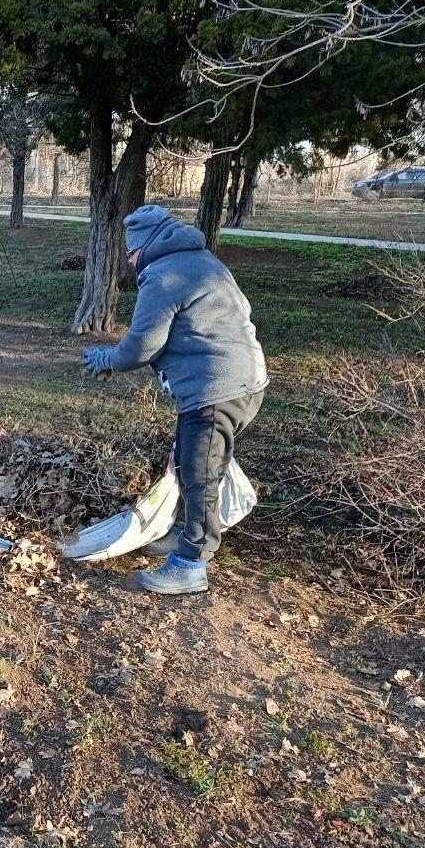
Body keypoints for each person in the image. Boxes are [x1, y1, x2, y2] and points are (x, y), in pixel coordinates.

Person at [82, 204, 267, 596]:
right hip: (245, 381)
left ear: (144, 246)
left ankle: (190, 564)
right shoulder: (203, 260)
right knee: (191, 461)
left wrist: (106, 359)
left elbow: (141, 346)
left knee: (200, 473)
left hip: (216, 387)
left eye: (131, 253)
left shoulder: (163, 275)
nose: (131, 261)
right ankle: (184, 534)